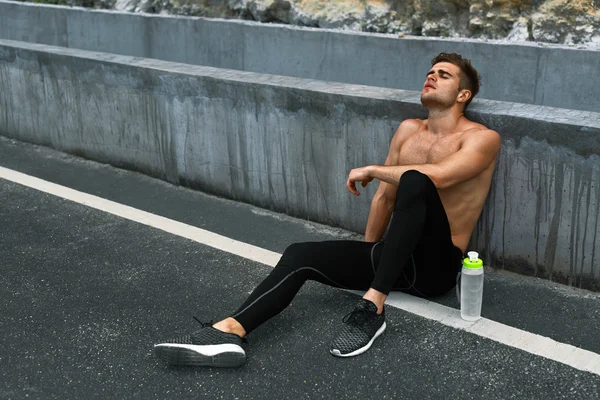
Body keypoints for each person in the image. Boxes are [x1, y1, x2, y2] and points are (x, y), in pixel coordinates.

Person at [154, 52, 501, 367]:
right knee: (299, 254)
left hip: (437, 266)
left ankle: (372, 309)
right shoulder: (409, 130)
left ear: (463, 95)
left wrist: (373, 169)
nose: (431, 76)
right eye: (429, 72)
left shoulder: (481, 138)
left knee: (414, 180)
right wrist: (370, 257)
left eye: (444, 74)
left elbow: (437, 177)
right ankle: (230, 330)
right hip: (399, 261)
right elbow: (383, 199)